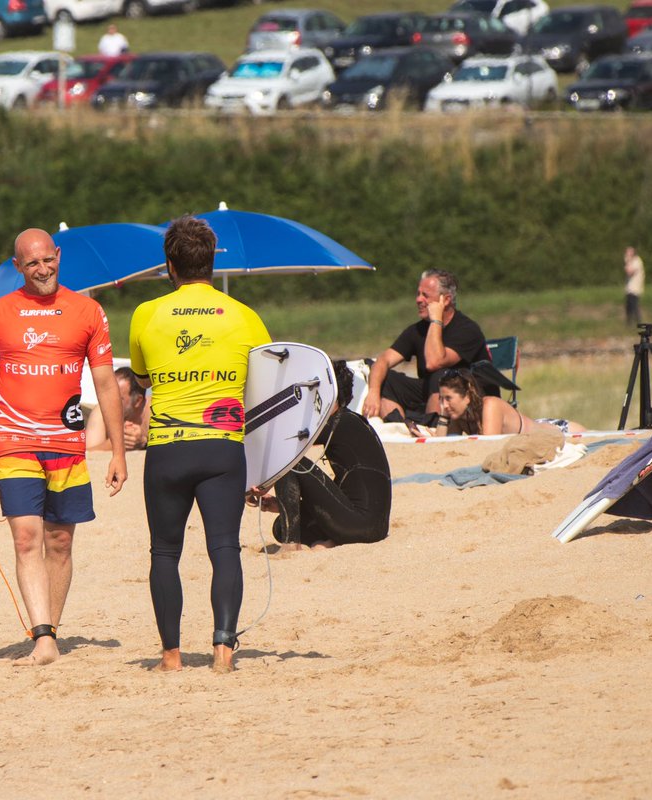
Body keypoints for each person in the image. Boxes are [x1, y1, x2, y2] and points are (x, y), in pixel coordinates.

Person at [0, 228, 127, 667]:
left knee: (59, 542)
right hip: (13, 441)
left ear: (58, 255)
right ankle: (44, 638)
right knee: (26, 537)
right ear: (17, 267)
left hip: (67, 444)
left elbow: (107, 383)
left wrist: (117, 451)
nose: (42, 269)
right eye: (31, 263)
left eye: (47, 260)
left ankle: (48, 630)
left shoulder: (88, 310)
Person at [129, 215, 271, 674]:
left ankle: (171, 657)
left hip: (168, 447)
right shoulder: (245, 316)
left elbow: (142, 377)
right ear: (212, 261)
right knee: (224, 547)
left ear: (170, 264)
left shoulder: (145, 314)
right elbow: (269, 391)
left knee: (164, 552)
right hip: (223, 448)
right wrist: (268, 464)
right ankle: (223, 654)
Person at [266, 361, 391, 550]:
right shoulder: (353, 423)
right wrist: (285, 503)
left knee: (289, 461)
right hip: (373, 528)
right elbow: (341, 492)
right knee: (279, 528)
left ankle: (292, 546)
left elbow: (287, 444)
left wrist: (259, 485)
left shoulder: (341, 422)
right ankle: (326, 543)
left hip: (358, 524)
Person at [363, 269, 492, 424]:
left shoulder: (467, 329)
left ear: (446, 300)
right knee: (383, 376)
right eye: (418, 294)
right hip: (431, 393)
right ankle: (398, 429)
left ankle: (431, 430)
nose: (418, 299)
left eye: (425, 295)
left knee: (441, 375)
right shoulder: (417, 330)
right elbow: (384, 360)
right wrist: (373, 392)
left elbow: (434, 362)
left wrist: (436, 320)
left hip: (467, 396)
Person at [434, 370, 585, 437]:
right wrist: (443, 417)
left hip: (561, 432)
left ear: (467, 396)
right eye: (442, 399)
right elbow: (445, 448)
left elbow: (486, 448)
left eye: (448, 398)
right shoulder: (459, 416)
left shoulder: (490, 406)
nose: (444, 405)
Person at [84, 366, 149, 452]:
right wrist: (115, 444)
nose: (109, 402)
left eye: (117, 398)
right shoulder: (101, 411)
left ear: (138, 401)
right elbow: (88, 453)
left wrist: (143, 441)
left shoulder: (152, 412)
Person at [624, 246, 645, 326]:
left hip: (635, 288)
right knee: (628, 307)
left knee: (634, 306)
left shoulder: (637, 261)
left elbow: (629, 272)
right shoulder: (631, 261)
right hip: (629, 288)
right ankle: (629, 323)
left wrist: (628, 261)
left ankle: (639, 323)